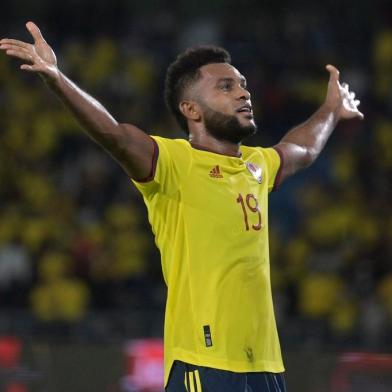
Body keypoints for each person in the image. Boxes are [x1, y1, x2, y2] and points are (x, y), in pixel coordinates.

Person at [0, 22, 363, 392]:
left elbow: (302, 148)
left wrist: (332, 109)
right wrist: (58, 79)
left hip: (267, 366)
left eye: (243, 84)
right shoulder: (173, 162)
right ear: (191, 108)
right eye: (226, 86)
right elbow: (115, 135)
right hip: (203, 364)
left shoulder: (257, 165)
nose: (243, 93)